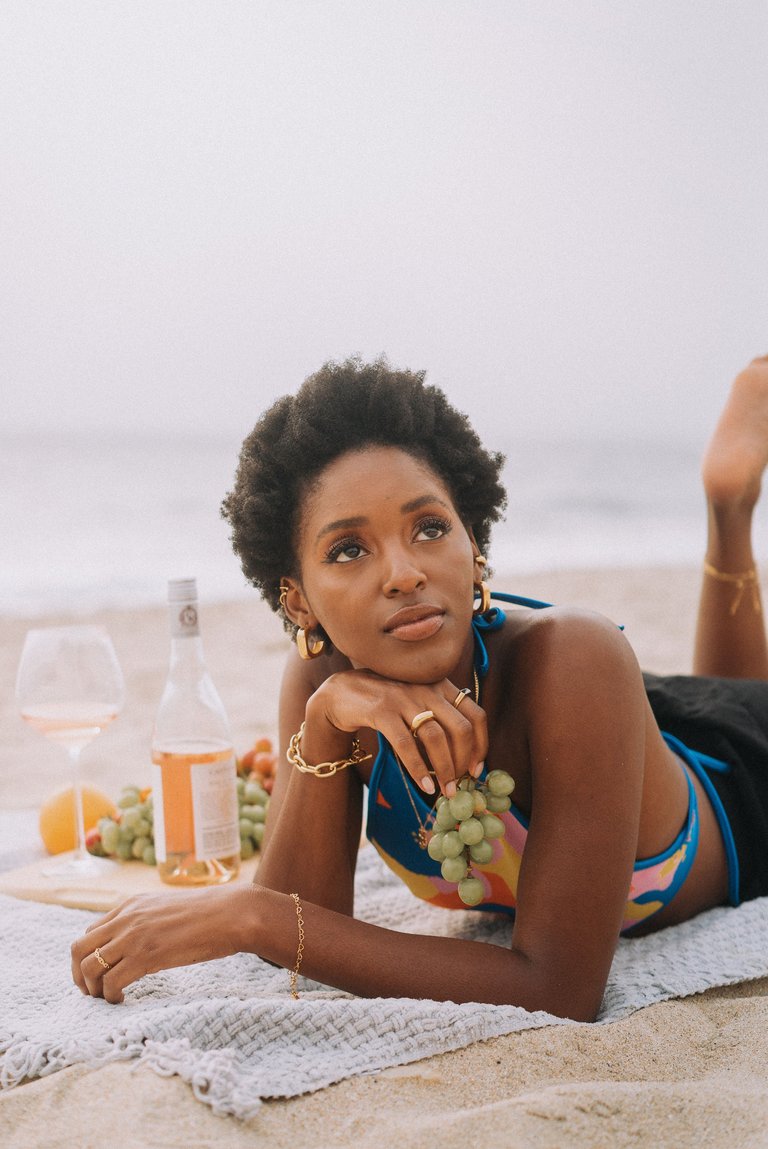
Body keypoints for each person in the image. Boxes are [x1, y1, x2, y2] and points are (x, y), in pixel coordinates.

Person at [71, 354, 768, 1021]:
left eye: (429, 527)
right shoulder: (322, 683)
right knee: (714, 695)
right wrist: (324, 723)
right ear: (298, 601)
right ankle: (731, 508)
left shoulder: (577, 657)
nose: (403, 572)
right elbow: (308, 917)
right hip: (649, 731)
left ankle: (728, 508)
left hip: (748, 784)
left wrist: (252, 913)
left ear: (475, 543)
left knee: (738, 705)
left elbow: (559, 991)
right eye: (349, 548)